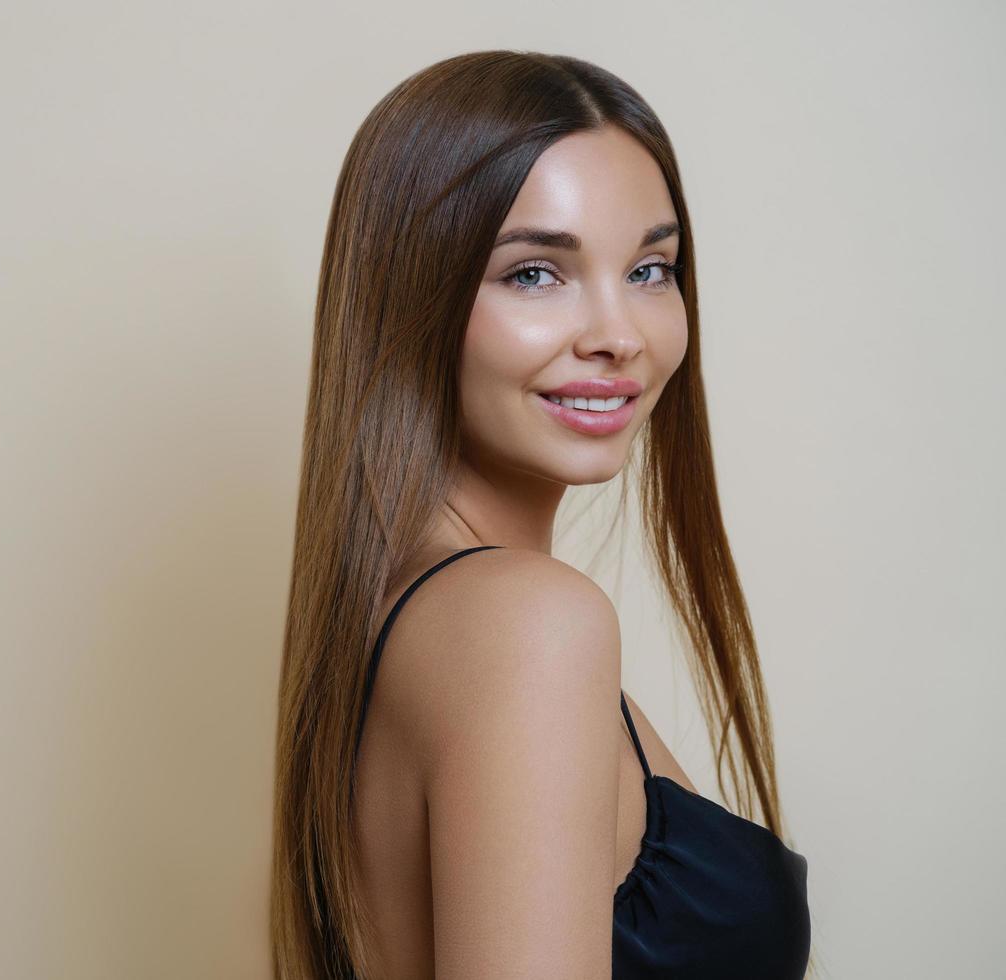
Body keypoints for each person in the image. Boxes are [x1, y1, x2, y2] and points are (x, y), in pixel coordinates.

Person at [270, 51, 814, 979]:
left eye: (651, 268)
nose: (620, 334)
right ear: (412, 296)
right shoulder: (528, 623)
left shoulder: (417, 611)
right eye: (534, 274)